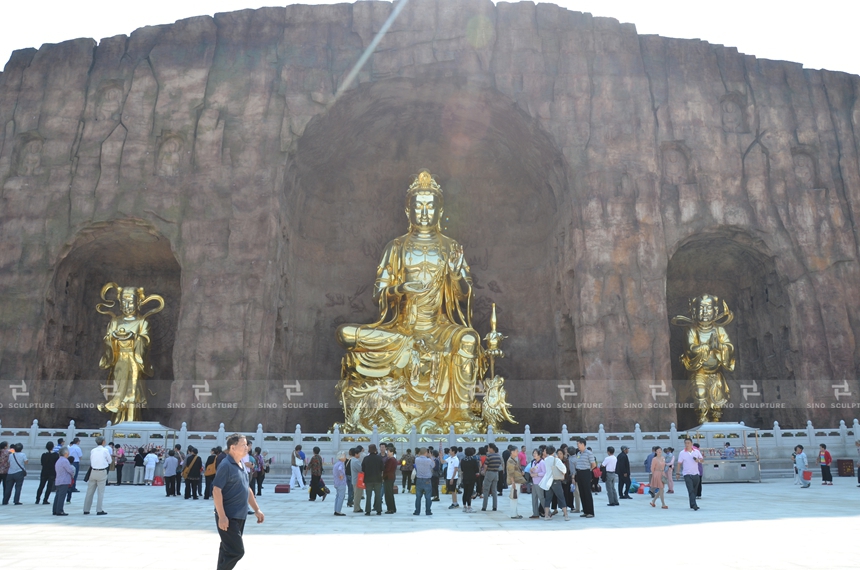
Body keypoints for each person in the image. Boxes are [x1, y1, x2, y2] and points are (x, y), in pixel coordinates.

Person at [213, 433, 264, 570]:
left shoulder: (241, 463)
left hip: (240, 515)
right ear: (233, 447)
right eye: (243, 444)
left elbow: (246, 489)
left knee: (227, 549)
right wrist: (222, 516)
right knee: (237, 551)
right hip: (228, 516)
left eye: (246, 444)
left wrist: (256, 509)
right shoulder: (226, 465)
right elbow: (216, 490)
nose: (246, 447)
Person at [82, 437, 111, 515]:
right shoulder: (105, 450)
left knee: (89, 492)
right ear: (103, 442)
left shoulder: (93, 450)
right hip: (102, 471)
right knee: (100, 492)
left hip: (93, 471)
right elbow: (110, 461)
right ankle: (99, 509)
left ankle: (86, 509)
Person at [676, 437, 704, 510]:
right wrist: (677, 473)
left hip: (696, 473)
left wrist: (698, 460)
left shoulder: (696, 452)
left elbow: (702, 460)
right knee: (690, 489)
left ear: (691, 443)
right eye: (685, 443)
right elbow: (679, 463)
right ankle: (694, 505)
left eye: (688, 443)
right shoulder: (682, 453)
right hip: (687, 474)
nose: (687, 444)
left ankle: (692, 503)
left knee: (694, 490)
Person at [572, 440, 596, 518]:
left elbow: (593, 464)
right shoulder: (578, 453)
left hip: (585, 472)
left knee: (587, 493)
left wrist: (588, 471)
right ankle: (585, 511)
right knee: (582, 493)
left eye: (578, 444)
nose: (577, 446)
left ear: (583, 444)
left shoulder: (589, 453)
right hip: (579, 473)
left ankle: (590, 512)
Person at [361, 444, 384, 515]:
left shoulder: (366, 458)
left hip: (368, 480)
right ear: (375, 450)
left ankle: (368, 510)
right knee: (378, 495)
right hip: (377, 479)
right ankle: (379, 510)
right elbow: (382, 468)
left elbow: (363, 469)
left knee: (368, 496)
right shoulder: (379, 458)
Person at [52, 447, 75, 516]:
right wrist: (72, 473)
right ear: (65, 453)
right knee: (61, 496)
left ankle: (55, 509)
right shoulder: (65, 461)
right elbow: (70, 470)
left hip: (59, 479)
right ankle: (60, 510)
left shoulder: (59, 460)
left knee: (58, 495)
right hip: (64, 480)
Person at [413, 448, 434, 516]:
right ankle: (428, 511)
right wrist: (430, 456)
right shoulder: (428, 460)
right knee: (428, 497)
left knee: (418, 497)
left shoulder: (417, 459)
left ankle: (417, 511)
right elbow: (433, 465)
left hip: (419, 479)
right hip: (427, 480)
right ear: (426, 453)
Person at [507, 447, 526, 519]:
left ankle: (515, 513)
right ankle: (513, 514)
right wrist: (513, 482)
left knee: (515, 497)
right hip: (514, 481)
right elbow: (511, 472)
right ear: (512, 452)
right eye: (516, 451)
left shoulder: (514, 460)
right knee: (513, 497)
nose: (517, 453)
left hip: (516, 480)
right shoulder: (510, 461)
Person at [482, 443, 502, 511]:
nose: (487, 449)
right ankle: (494, 506)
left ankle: (484, 506)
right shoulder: (498, 456)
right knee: (494, 490)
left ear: (491, 448)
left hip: (489, 472)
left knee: (486, 490)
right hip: (496, 473)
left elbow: (485, 465)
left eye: (488, 448)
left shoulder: (489, 456)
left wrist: (484, 472)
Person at [459, 447, 479, 513]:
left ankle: (464, 506)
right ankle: (469, 507)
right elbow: (476, 469)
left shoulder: (463, 460)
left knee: (465, 492)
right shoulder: (473, 460)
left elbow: (462, 469)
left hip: (465, 477)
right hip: (471, 477)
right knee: (469, 492)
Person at [528, 449, 546, 519]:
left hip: (539, 482)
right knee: (534, 498)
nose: (534, 454)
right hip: (534, 482)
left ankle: (547, 512)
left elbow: (544, 473)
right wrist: (531, 472)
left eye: (535, 453)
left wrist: (537, 474)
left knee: (541, 497)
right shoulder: (534, 462)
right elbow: (531, 471)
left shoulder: (542, 462)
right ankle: (535, 513)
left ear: (539, 454)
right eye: (533, 453)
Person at [382, 446, 398, 514]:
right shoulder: (393, 459)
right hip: (391, 477)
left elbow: (387, 469)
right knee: (390, 493)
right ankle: (393, 508)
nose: (387, 453)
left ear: (392, 452)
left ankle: (390, 509)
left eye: (388, 452)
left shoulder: (391, 460)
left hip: (388, 477)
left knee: (388, 494)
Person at [350, 447, 364, 513]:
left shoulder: (353, 460)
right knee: (358, 495)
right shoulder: (355, 461)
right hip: (357, 480)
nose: (359, 455)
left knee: (357, 494)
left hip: (355, 479)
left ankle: (357, 507)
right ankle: (356, 508)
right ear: (356, 454)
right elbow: (361, 469)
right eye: (358, 454)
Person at [333, 451, 347, 516]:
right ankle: (338, 511)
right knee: (341, 497)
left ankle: (336, 509)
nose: (345, 457)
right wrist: (341, 475)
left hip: (336, 482)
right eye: (344, 456)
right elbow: (340, 469)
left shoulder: (336, 463)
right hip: (341, 483)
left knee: (338, 496)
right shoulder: (341, 464)